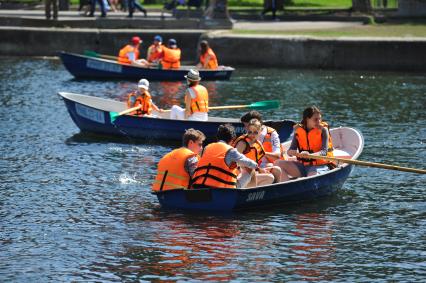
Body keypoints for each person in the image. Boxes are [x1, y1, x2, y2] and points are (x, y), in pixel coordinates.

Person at [274, 106, 335, 182]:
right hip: (303, 166)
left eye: (320, 119)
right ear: (307, 119)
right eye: (316, 119)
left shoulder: (323, 130)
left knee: (311, 178)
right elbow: (290, 152)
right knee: (278, 163)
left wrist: (309, 155)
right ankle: (287, 188)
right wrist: (297, 153)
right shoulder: (299, 131)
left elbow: (324, 152)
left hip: (319, 166)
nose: (319, 121)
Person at [191, 124, 258, 189]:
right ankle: (250, 194)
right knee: (250, 169)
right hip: (222, 189)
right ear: (232, 140)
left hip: (199, 185)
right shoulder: (231, 151)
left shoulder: (206, 148)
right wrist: (257, 166)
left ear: (217, 137)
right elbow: (250, 164)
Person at [234, 118, 282, 186]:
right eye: (250, 132)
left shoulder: (258, 144)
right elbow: (234, 161)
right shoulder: (243, 143)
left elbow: (257, 163)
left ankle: (276, 193)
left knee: (277, 169)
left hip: (252, 171)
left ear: (260, 131)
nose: (252, 135)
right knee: (269, 178)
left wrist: (259, 169)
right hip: (241, 174)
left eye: (255, 132)